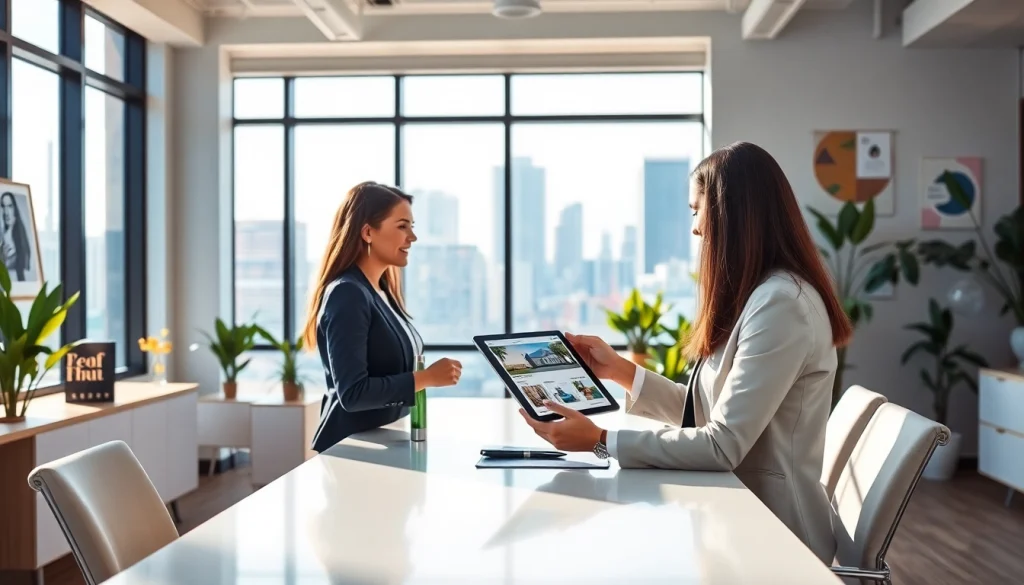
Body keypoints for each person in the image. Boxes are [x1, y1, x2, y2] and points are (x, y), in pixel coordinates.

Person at [519, 141, 852, 564]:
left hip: (774, 535)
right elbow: (705, 411)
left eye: (696, 210)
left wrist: (602, 441)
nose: (694, 228)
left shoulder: (781, 305)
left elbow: (722, 445)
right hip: (734, 512)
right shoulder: (761, 298)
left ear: (733, 213)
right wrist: (620, 369)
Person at [304, 181, 463, 453]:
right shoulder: (348, 293)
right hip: (352, 451)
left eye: (412, 227)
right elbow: (353, 394)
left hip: (384, 441)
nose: (412, 237)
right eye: (402, 226)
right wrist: (426, 378)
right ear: (367, 232)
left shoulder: (382, 292)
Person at [0, 191, 31, 281]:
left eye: (10, 206)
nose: (6, 212)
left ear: (15, 208)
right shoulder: (3, 235)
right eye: (3, 206)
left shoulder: (17, 238)